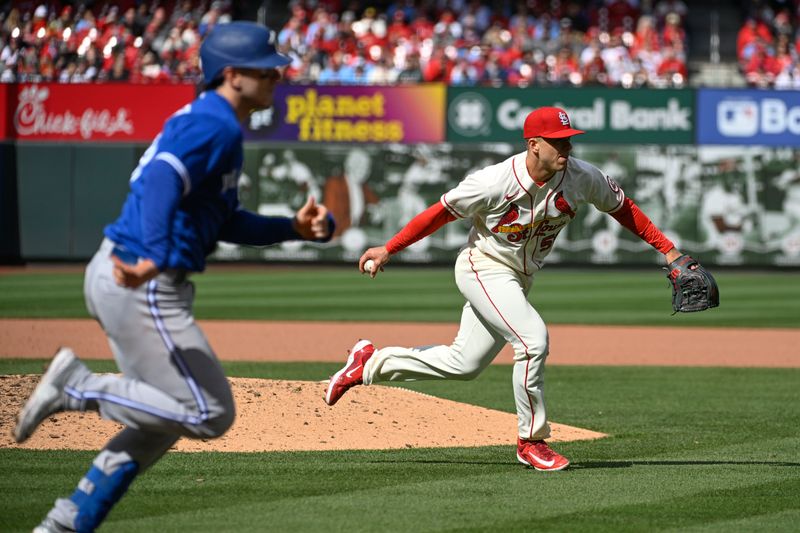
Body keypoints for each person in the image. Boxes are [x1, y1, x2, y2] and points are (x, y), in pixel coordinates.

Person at [14, 21, 334, 532]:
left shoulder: (216, 122)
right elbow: (163, 174)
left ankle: (65, 523)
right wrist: (155, 257)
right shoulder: (218, 123)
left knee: (160, 420)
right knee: (209, 412)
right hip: (140, 279)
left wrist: (291, 227)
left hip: (134, 275)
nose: (277, 77)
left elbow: (226, 220)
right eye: (266, 70)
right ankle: (76, 387)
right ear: (232, 74)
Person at [325, 106, 682, 471]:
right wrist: (389, 248)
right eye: (557, 142)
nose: (566, 148)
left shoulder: (581, 177)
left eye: (569, 141)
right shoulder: (494, 181)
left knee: (464, 363)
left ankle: (369, 364)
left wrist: (668, 250)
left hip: (519, 278)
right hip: (483, 268)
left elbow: (623, 208)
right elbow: (440, 212)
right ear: (533, 145)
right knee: (532, 341)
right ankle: (531, 441)